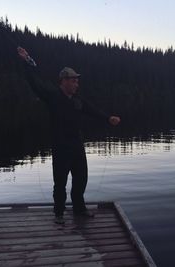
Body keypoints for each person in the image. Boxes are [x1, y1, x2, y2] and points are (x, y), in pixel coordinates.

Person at [17, 47, 120, 224]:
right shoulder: (52, 96)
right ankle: (59, 213)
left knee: (81, 179)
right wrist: (27, 62)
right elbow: (34, 83)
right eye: (73, 81)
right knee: (60, 183)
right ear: (63, 81)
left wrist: (108, 118)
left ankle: (79, 209)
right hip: (60, 146)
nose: (76, 84)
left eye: (76, 81)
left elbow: (91, 110)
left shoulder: (77, 100)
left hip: (77, 146)